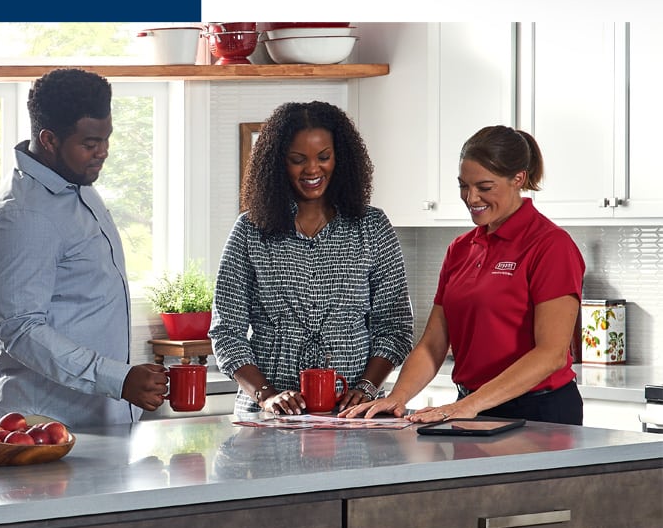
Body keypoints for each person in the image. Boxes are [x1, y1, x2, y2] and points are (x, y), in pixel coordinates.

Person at [340, 125, 586, 425]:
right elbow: (433, 344)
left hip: (539, 413)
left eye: (484, 187)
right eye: (463, 186)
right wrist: (398, 397)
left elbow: (551, 354)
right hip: (472, 406)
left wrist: (469, 405)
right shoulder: (461, 249)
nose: (471, 198)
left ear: (518, 178)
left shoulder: (550, 246)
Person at [0, 68, 168, 428]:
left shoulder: (75, 187)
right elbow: (20, 329)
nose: (103, 153)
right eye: (90, 144)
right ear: (48, 140)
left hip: (97, 419)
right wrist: (117, 378)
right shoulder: (22, 215)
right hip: (44, 423)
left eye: (106, 139)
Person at [209, 101, 414, 416]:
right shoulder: (250, 231)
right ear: (279, 163)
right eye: (297, 160)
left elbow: (395, 327)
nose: (313, 170)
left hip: (355, 417)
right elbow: (227, 332)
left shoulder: (372, 228)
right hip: (268, 418)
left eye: (324, 157)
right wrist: (266, 395)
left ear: (340, 158)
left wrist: (366, 389)